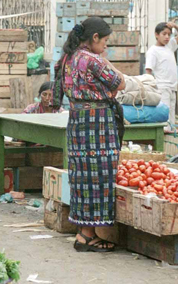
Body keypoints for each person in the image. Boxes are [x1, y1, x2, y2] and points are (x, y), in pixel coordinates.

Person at [52, 17, 126, 252]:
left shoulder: (67, 59)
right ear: (94, 38)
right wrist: (107, 62)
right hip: (98, 125)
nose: (105, 46)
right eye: (104, 41)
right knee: (100, 177)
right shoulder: (93, 60)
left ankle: (83, 232)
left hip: (77, 122)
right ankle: (87, 235)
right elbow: (120, 83)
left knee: (81, 176)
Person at [145, 21, 178, 129]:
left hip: (172, 87)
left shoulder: (170, 46)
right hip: (162, 87)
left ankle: (170, 141)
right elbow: (148, 71)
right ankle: (163, 140)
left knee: (171, 117)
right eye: (164, 34)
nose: (167, 37)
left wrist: (175, 25)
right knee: (165, 117)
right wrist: (150, 87)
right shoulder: (153, 51)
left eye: (169, 34)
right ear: (156, 35)